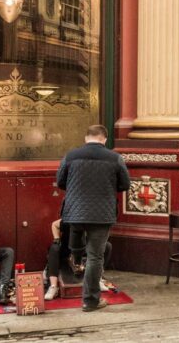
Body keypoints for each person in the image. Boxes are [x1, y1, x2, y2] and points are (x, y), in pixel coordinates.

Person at [56, 124, 130, 312]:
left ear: (86, 137)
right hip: (101, 214)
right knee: (95, 257)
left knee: (76, 244)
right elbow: (124, 184)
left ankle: (77, 256)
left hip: (75, 212)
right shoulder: (115, 158)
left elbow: (60, 181)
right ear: (104, 139)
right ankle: (90, 301)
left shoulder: (71, 156)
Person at [44, 219, 112, 301]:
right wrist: (57, 239)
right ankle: (53, 286)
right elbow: (54, 225)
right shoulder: (70, 219)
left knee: (107, 246)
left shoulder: (93, 220)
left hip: (86, 250)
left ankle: (97, 280)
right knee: (54, 248)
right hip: (67, 250)